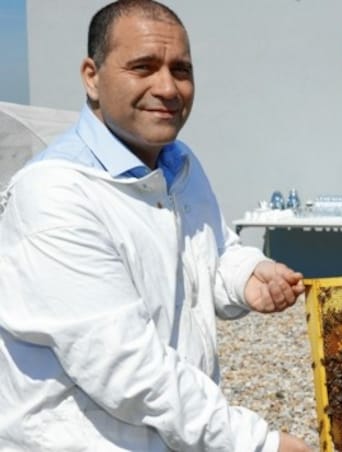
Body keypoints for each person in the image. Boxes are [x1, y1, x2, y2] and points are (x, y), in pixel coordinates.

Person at [0, 1, 312, 451]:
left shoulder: (181, 165)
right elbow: (126, 368)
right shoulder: (56, 195)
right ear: (92, 76)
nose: (167, 87)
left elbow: (211, 252)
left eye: (181, 70)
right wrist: (257, 443)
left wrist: (247, 275)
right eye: (143, 67)